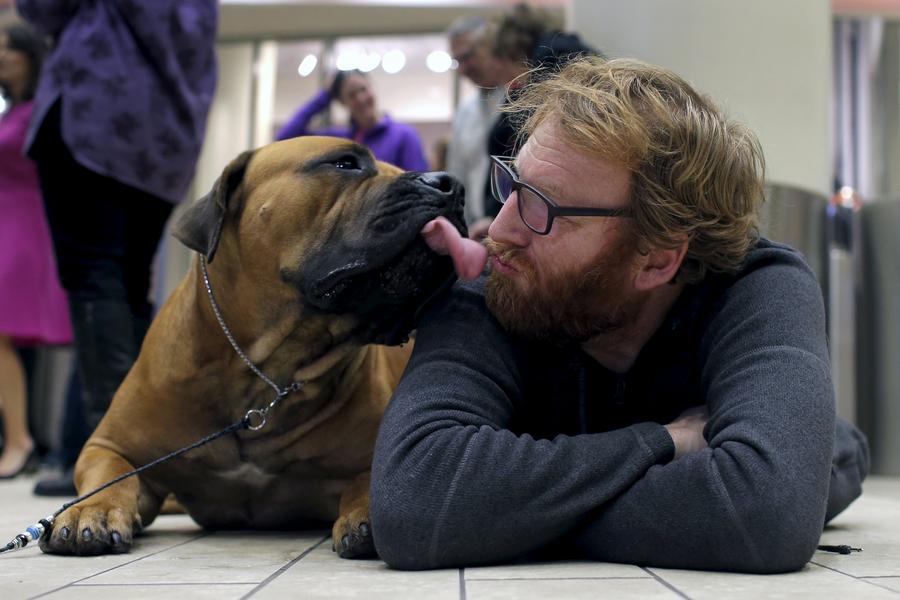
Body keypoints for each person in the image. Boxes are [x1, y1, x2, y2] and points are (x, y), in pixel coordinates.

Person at [370, 56, 870, 573]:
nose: (499, 229)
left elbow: (768, 513)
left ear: (657, 259)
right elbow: (414, 500)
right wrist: (667, 442)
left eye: (542, 207)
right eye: (512, 185)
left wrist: (506, 514)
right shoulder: (496, 284)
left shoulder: (755, 286)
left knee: (839, 451)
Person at [16, 0, 218, 492]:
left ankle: (114, 462)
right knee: (128, 286)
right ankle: (138, 451)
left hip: (95, 115)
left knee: (93, 277)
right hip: (163, 141)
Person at [0, 23, 71, 479]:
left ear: (30, 56)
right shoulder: (11, 111)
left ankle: (21, 439)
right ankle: (20, 437)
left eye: (10, 48)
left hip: (24, 228)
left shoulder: (39, 110)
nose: (2, 55)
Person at [277, 69, 429, 172]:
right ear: (342, 102)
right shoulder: (340, 140)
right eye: (351, 95)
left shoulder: (404, 135)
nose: (361, 99)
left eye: (363, 89)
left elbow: (420, 186)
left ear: (372, 87)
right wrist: (325, 95)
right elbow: (285, 138)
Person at [445, 15, 505, 231]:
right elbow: (457, 176)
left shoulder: (520, 99)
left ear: (489, 47)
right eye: (457, 61)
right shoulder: (464, 113)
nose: (463, 69)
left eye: (467, 57)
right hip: (477, 231)